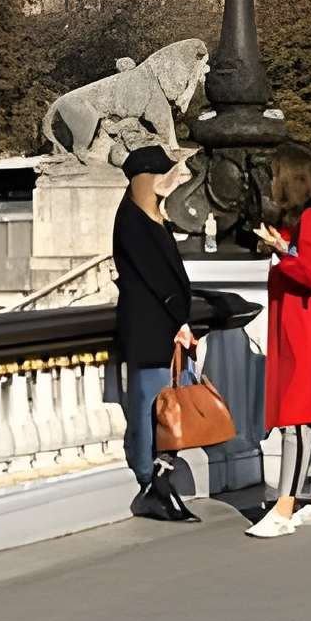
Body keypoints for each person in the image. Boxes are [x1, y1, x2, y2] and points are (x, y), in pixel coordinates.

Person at [247, 142, 311, 541]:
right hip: (309, 330)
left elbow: (310, 274)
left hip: (310, 334)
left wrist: (281, 250)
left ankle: (284, 506)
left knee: (297, 418)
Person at [111, 144, 201, 523]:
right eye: (163, 174)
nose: (172, 179)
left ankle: (161, 481)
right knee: (152, 408)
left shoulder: (151, 218)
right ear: (146, 178)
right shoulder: (134, 221)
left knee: (167, 409)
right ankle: (150, 484)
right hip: (151, 332)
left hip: (163, 331)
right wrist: (180, 319)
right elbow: (155, 278)